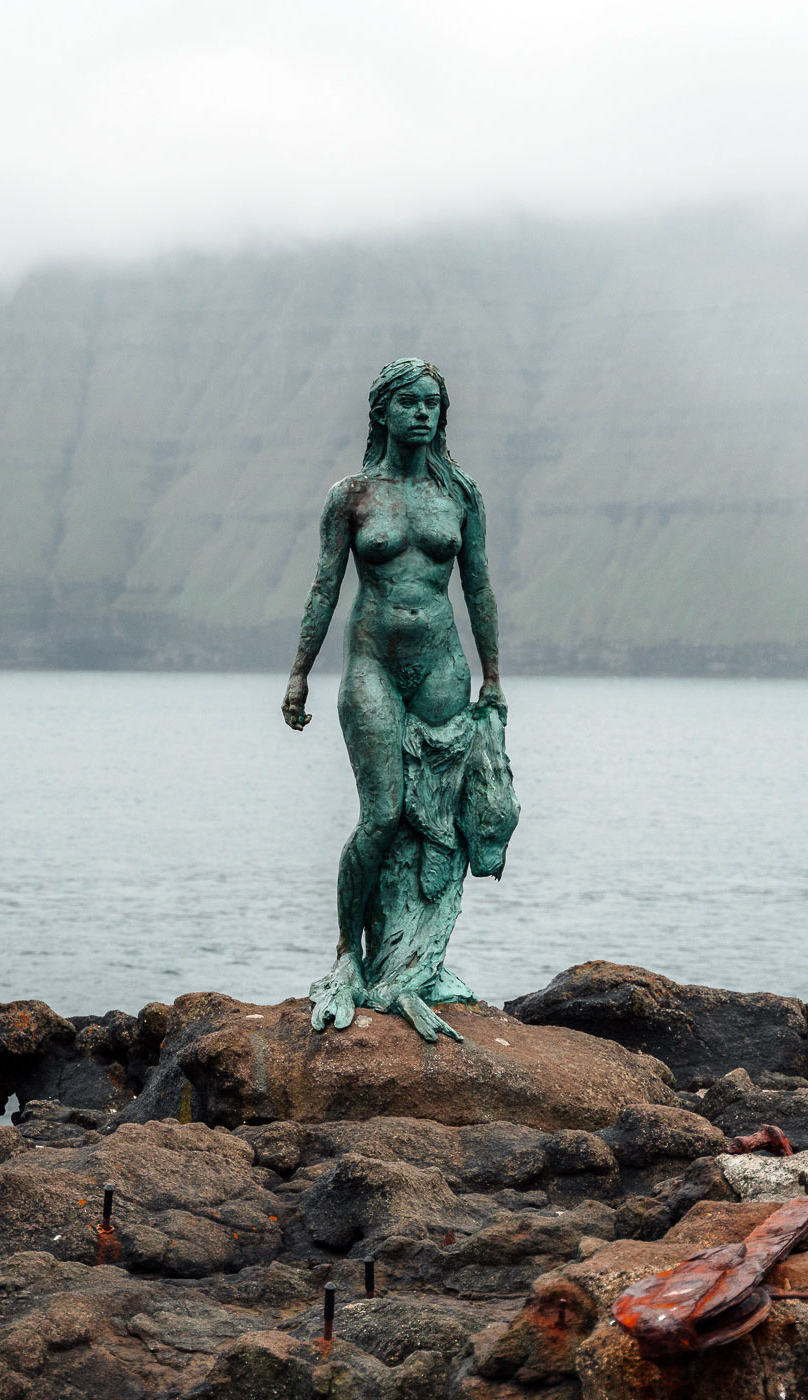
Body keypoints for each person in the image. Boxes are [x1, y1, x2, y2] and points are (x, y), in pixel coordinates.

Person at [283, 358, 509, 1038]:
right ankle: (347, 956)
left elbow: (478, 589)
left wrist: (493, 677)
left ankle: (415, 964)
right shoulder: (351, 496)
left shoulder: (460, 494)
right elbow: (324, 587)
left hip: (442, 664)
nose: (424, 414)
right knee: (382, 814)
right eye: (410, 403)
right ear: (382, 411)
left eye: (434, 404)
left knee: (436, 822)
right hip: (373, 663)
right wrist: (299, 672)